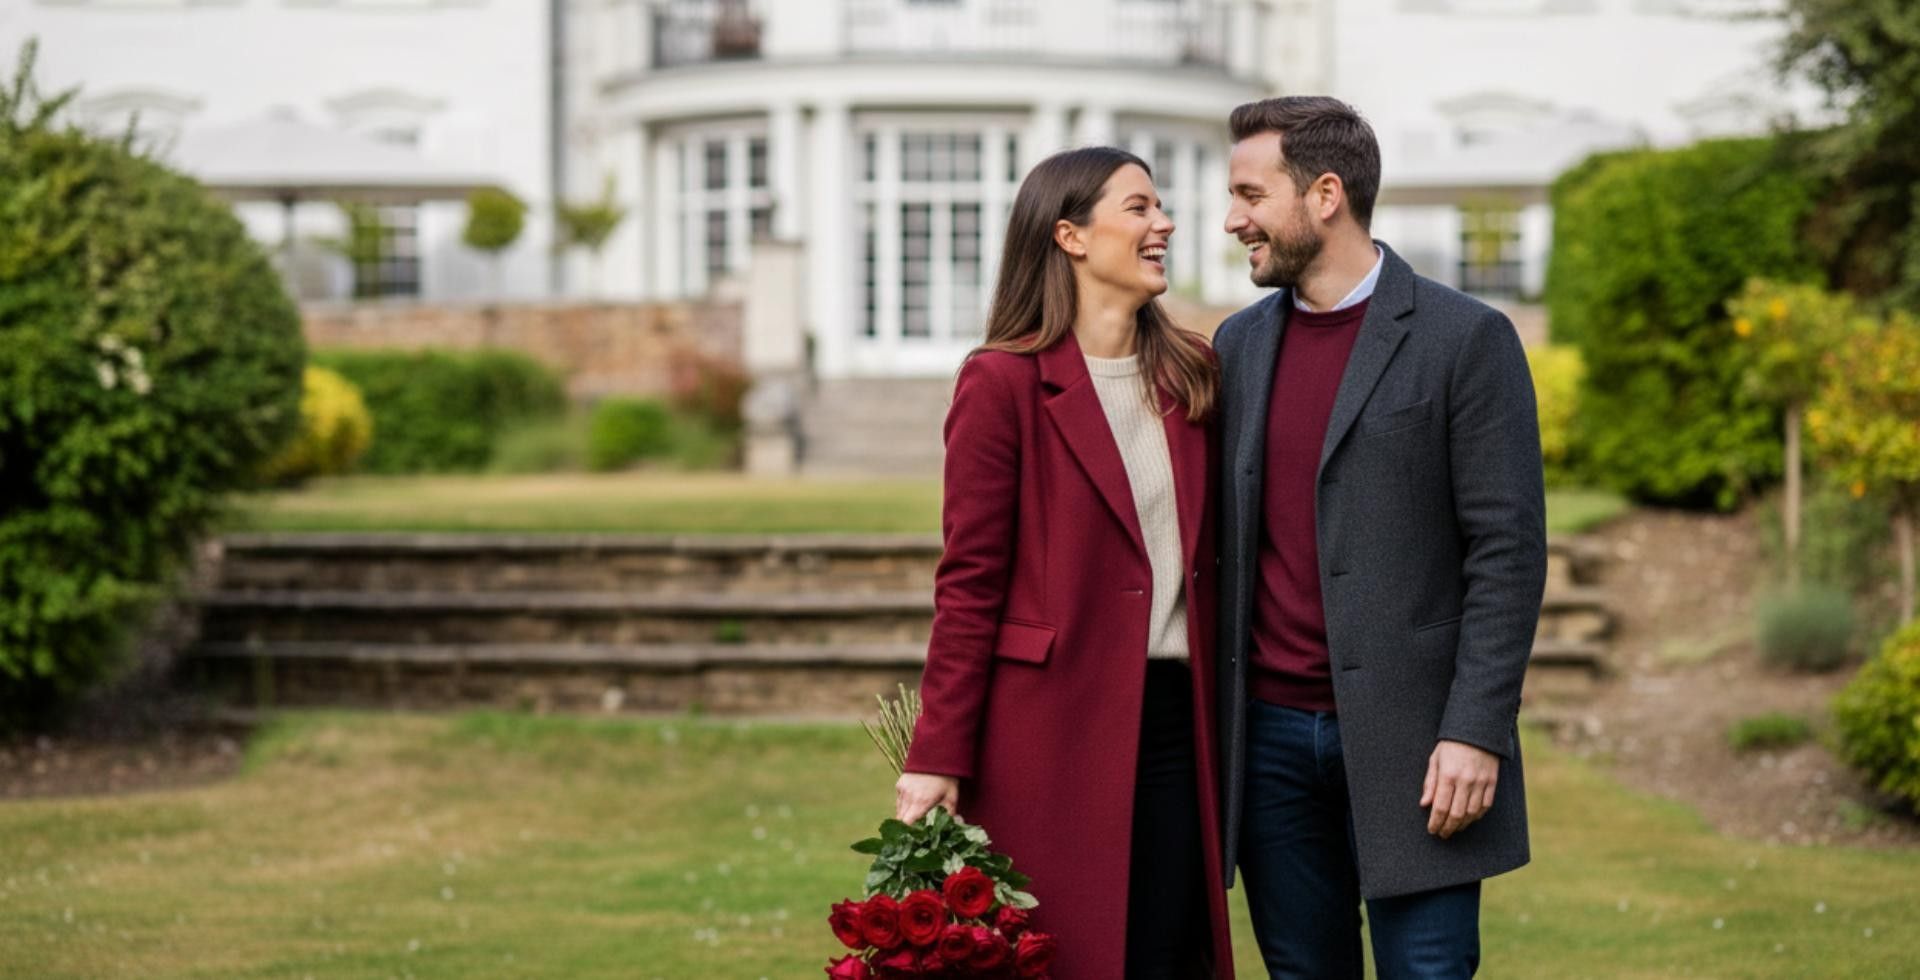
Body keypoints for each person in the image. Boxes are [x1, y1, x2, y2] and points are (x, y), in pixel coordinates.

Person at [1211, 96, 1548, 978]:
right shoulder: (1237, 347)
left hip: (1422, 744)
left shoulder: (1466, 338)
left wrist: (1477, 730)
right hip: (1269, 748)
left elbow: (1508, 554)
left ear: (1326, 195)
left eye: (1251, 194)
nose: (1232, 219)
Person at [894, 146, 1233, 979]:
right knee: (1063, 956)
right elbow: (970, 583)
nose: (1164, 225)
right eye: (1139, 208)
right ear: (1070, 235)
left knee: (1164, 955)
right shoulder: (1000, 383)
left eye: (1160, 207)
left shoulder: (1193, 373)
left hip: (1179, 723)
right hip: (1046, 730)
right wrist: (937, 754)